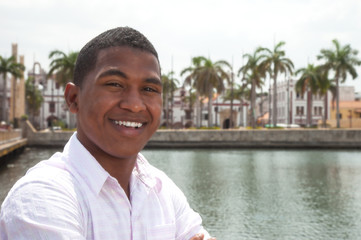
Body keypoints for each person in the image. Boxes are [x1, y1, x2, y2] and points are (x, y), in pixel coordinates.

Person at [0, 27, 215, 240]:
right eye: (114, 84)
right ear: (74, 98)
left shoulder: (160, 188)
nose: (135, 105)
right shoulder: (41, 197)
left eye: (149, 89)